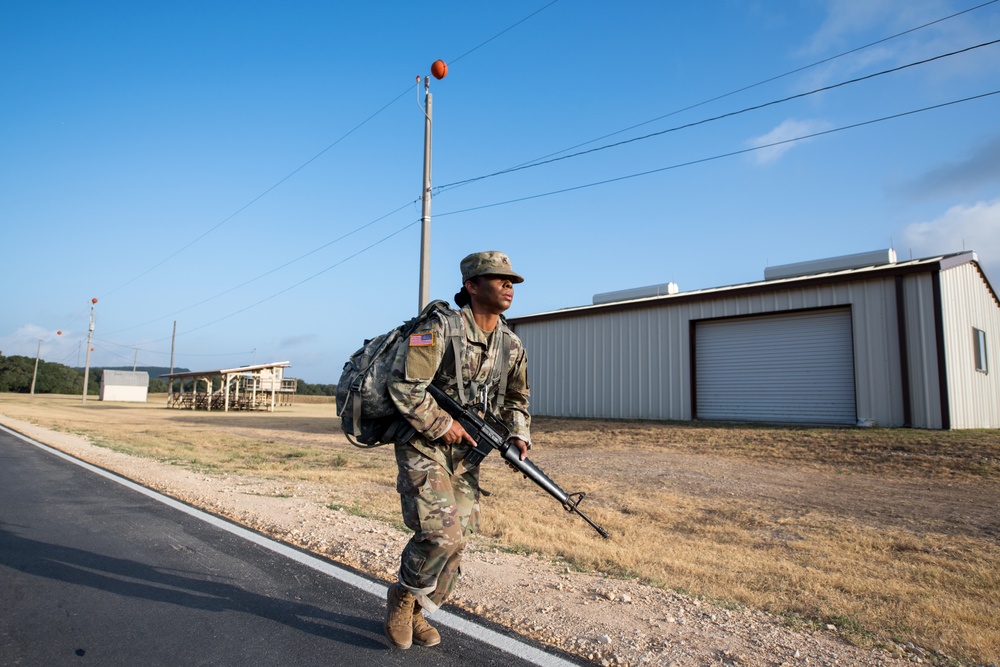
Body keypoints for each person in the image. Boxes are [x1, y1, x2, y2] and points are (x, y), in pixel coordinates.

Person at [384, 250, 531, 649]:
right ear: (471, 285)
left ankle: (417, 607)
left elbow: (517, 398)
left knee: (459, 540)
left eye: (511, 281)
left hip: (467, 454)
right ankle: (400, 596)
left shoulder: (511, 345)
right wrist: (442, 423)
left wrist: (518, 435)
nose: (508, 286)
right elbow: (404, 385)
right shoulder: (436, 329)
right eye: (498, 279)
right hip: (422, 443)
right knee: (441, 535)